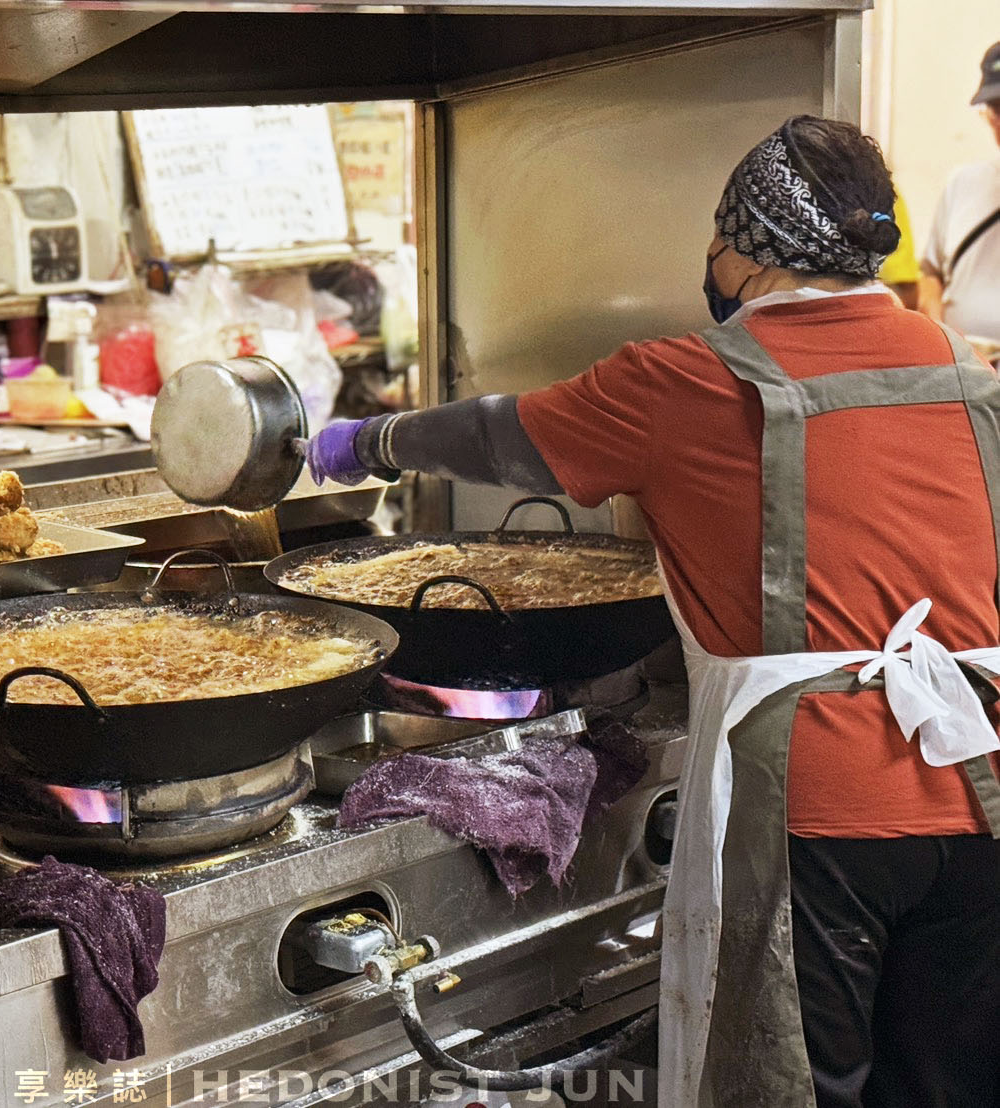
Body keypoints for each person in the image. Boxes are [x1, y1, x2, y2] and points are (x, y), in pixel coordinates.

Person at [308, 115, 1000, 1108]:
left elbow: (497, 435)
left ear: (750, 249)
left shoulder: (682, 380)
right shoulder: (966, 377)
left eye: (717, 239)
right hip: (974, 796)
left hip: (818, 816)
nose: (707, 263)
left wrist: (364, 444)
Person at [919, 40, 1000, 339]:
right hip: (967, 372)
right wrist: (939, 331)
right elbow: (931, 274)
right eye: (997, 109)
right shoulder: (963, 183)